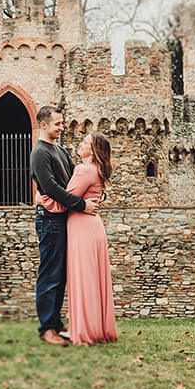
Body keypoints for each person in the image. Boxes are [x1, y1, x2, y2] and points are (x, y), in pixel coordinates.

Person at [27, 105, 102, 347]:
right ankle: (47, 328)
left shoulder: (59, 150)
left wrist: (95, 195)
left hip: (63, 220)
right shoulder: (40, 153)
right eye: (57, 124)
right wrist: (81, 206)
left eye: (61, 123)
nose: (61, 127)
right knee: (49, 274)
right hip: (49, 221)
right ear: (44, 125)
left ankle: (57, 323)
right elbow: (51, 189)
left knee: (60, 275)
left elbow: (74, 181)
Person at [47, 133, 117, 346]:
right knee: (95, 279)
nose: (81, 144)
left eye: (85, 142)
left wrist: (42, 199)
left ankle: (84, 331)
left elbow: (66, 198)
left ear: (94, 150)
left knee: (83, 278)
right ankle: (98, 329)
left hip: (81, 227)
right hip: (94, 227)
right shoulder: (98, 171)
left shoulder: (84, 170)